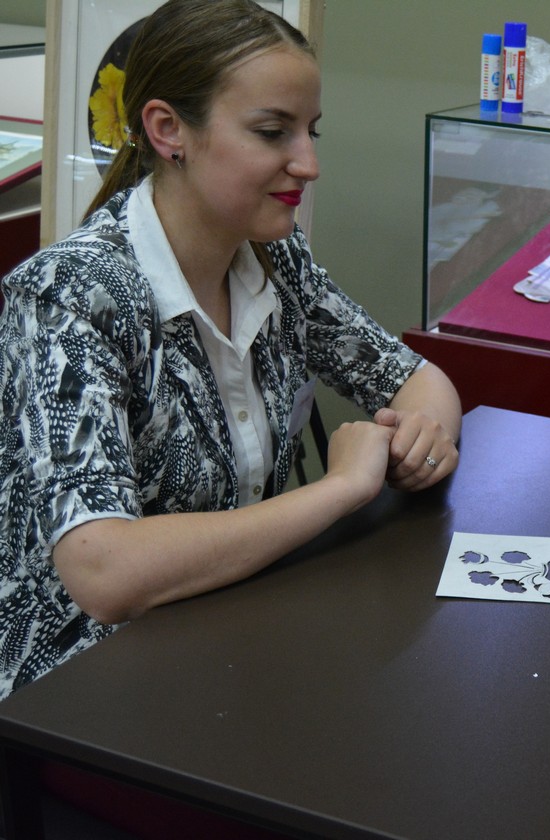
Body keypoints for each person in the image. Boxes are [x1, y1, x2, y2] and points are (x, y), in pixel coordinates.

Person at [0, 0, 462, 700]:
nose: (309, 164)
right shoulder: (68, 296)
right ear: (167, 130)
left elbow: (417, 380)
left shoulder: (273, 254)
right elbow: (104, 573)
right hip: (78, 693)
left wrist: (421, 437)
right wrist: (341, 489)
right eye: (272, 132)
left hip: (232, 644)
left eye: (310, 131)